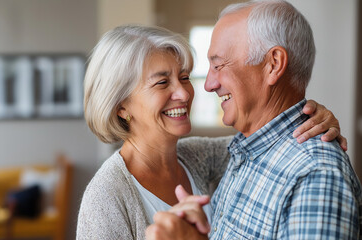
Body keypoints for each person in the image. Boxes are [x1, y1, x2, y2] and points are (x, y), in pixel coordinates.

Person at [76, 24, 345, 240]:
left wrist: (310, 115)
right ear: (121, 107)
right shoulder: (105, 197)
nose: (183, 93)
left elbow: (268, 140)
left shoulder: (198, 156)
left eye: (183, 77)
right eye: (161, 83)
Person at [146, 1, 362, 239]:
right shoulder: (246, 151)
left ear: (273, 64)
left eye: (218, 65)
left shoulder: (315, 175)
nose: (208, 84)